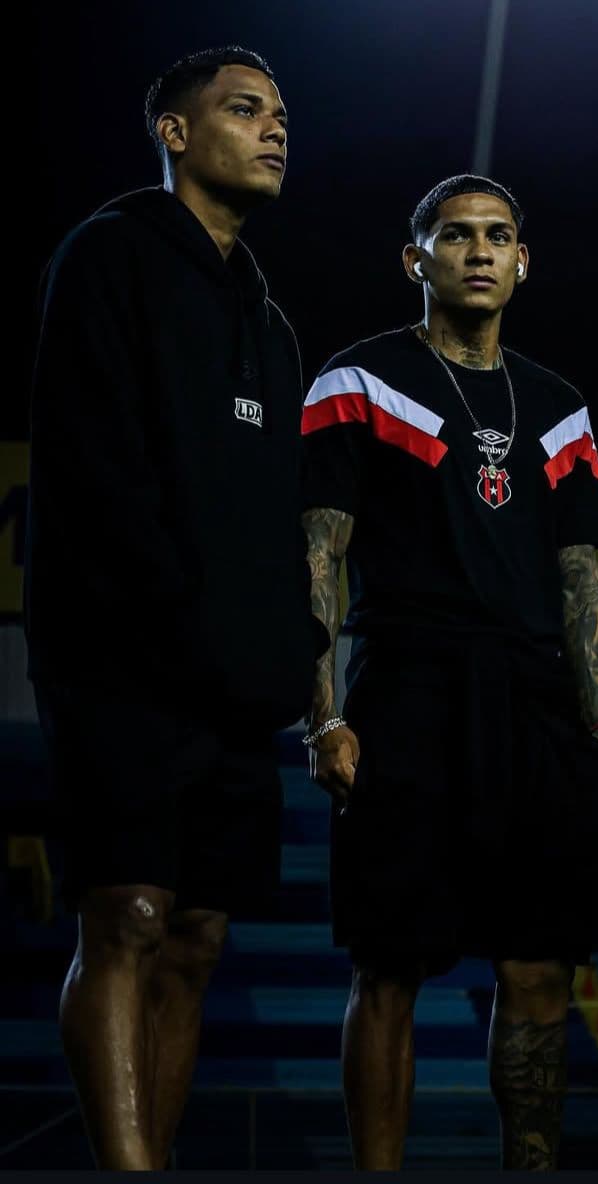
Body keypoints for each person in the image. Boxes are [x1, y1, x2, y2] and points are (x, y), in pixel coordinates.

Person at [25, 47, 325, 1169]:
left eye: (282, 114)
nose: (275, 128)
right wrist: (173, 618)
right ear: (175, 133)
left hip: (235, 682)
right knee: (132, 917)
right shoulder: (109, 254)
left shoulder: (271, 324)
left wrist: (289, 657)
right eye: (245, 110)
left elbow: (284, 521)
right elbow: (93, 468)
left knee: (196, 938)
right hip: (121, 661)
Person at [300, 174, 598, 1170]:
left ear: (523, 261)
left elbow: (580, 573)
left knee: (538, 966)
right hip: (406, 688)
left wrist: (596, 727)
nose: (478, 251)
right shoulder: (358, 381)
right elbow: (318, 555)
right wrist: (323, 717)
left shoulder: (559, 404)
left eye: (497, 236)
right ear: (417, 259)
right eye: (454, 235)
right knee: (388, 965)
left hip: (534, 699)